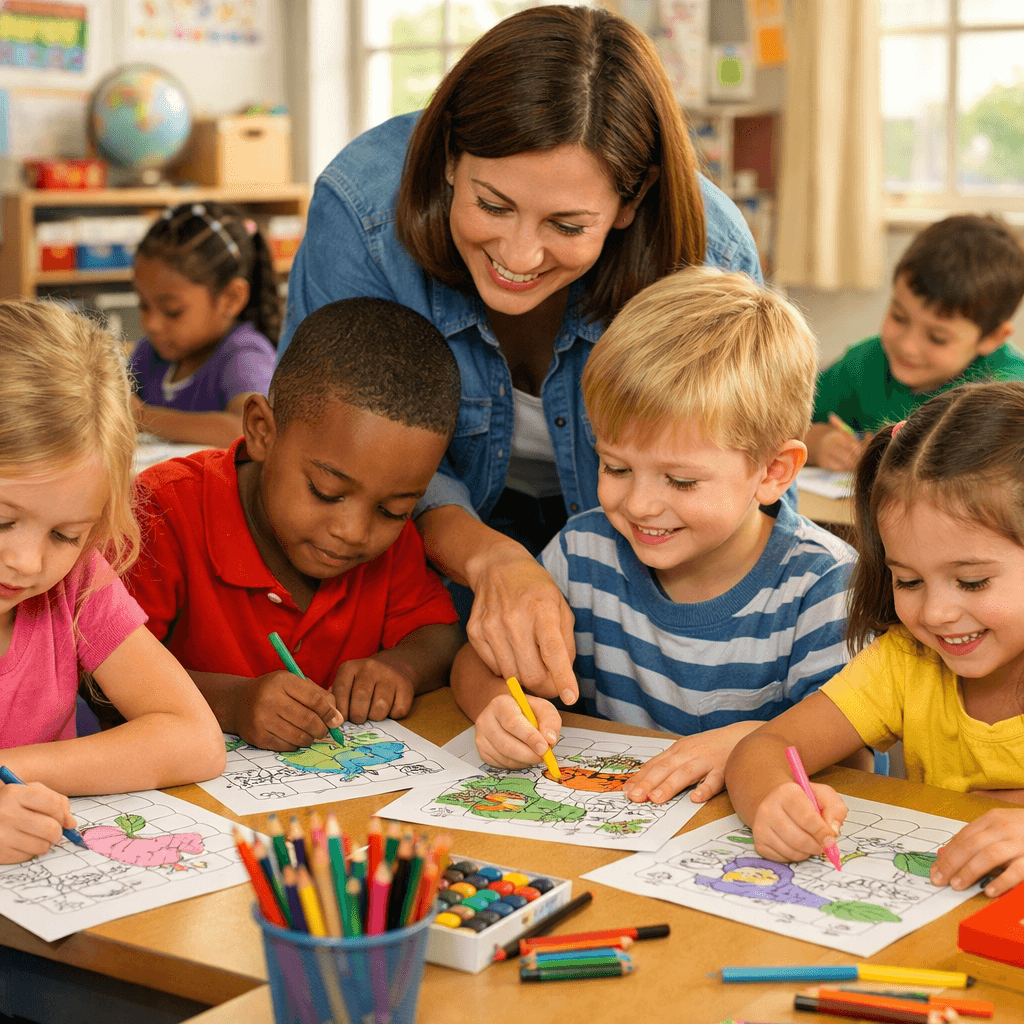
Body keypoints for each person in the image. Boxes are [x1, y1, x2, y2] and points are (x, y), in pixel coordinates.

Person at [279, 5, 764, 710]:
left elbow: (724, 472)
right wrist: (489, 559)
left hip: (633, 555)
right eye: (493, 205)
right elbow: (335, 447)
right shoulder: (362, 212)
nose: (519, 256)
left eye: (567, 226)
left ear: (630, 203)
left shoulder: (707, 253)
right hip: (418, 557)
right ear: (450, 158)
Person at [451, 268, 856, 804]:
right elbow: (478, 661)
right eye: (615, 467)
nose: (638, 504)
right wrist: (496, 705)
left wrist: (752, 747)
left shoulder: (821, 584)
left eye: (681, 480)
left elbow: (853, 754)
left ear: (774, 471)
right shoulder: (582, 553)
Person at [726, 381, 1024, 899]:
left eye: (972, 581)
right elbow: (764, 747)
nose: (935, 613)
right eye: (908, 580)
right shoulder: (907, 662)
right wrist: (774, 798)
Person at [126, 298, 464, 751]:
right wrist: (233, 703)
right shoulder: (163, 512)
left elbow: (439, 635)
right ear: (262, 430)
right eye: (326, 491)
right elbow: (103, 676)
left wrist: (402, 666)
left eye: (392, 510)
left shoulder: (390, 544)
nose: (354, 531)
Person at [0, 300, 225, 865]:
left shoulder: (74, 586)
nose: (27, 562)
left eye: (66, 534)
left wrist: (13, 773)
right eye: (3, 521)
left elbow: (195, 740)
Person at [807, 214, 1024, 470]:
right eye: (899, 317)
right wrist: (817, 443)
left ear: (991, 338)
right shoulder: (864, 364)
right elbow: (785, 423)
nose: (907, 346)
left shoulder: (1007, 393)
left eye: (937, 338)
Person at [129, 201, 282, 448]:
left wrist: (143, 418)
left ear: (231, 298)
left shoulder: (244, 355)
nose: (152, 324)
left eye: (172, 311)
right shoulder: (149, 354)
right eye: (143, 305)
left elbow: (247, 429)